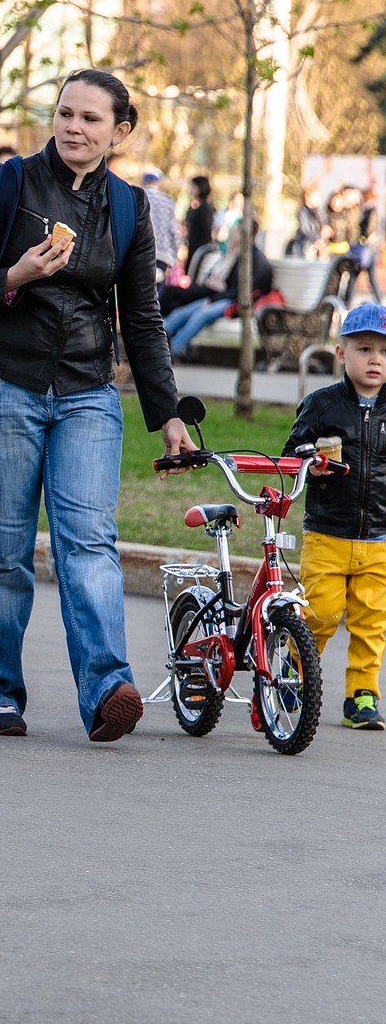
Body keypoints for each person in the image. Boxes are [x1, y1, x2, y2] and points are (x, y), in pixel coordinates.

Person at [0, 68, 192, 741]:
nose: (74, 128)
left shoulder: (130, 209)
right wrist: (16, 275)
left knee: (90, 546)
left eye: (90, 119)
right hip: (2, 387)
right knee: (5, 547)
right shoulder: (10, 184)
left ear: (120, 131)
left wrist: (166, 412)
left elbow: (141, 320)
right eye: (65, 114)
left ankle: (108, 688)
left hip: (86, 394)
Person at [283, 302, 386, 730]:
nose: (375, 360)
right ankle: (294, 669)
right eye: (364, 349)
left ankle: (362, 696)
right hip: (327, 534)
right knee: (321, 613)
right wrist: (308, 459)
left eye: (382, 352)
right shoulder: (322, 406)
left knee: (371, 621)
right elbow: (291, 454)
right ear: (342, 354)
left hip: (379, 538)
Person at [161, 218, 274, 358]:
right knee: (180, 313)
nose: (233, 234)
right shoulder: (237, 254)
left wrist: (214, 298)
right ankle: (153, 343)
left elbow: (241, 292)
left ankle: (168, 354)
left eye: (237, 231)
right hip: (221, 298)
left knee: (201, 315)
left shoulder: (254, 260)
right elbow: (223, 282)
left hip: (235, 303)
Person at [141, 168, 180, 274]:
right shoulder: (168, 201)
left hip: (139, 252)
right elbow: (175, 232)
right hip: (162, 255)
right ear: (158, 182)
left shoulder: (137, 197)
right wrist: (174, 255)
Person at [183, 174, 215, 264]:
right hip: (192, 245)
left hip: (200, 247)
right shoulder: (193, 206)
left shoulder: (205, 208)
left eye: (193, 187)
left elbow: (206, 230)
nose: (191, 189)